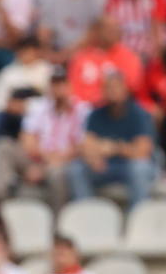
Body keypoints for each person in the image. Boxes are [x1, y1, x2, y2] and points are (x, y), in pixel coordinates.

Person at [67, 70, 158, 210]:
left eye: (116, 87)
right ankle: (86, 216)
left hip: (128, 166)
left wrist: (114, 148)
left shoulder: (138, 114)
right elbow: (87, 145)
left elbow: (142, 151)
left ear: (125, 89)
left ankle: (137, 218)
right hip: (106, 166)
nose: (112, 91)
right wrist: (93, 158)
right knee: (77, 169)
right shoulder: (96, 114)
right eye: (108, 88)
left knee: (140, 168)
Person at [16, 66, 90, 210]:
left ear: (70, 86)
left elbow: (80, 147)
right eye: (55, 84)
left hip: (66, 162)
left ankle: (57, 222)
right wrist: (43, 162)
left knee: (57, 173)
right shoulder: (38, 106)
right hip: (40, 157)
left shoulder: (82, 110)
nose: (59, 89)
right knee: (4, 147)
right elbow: (27, 140)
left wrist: (47, 166)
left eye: (63, 84)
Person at [69, 16, 144, 106]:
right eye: (109, 29)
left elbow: (131, 87)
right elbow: (72, 88)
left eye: (116, 28)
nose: (113, 32)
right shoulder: (81, 56)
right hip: (83, 109)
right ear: (97, 31)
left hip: (114, 108)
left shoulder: (128, 57)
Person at [38, 0, 107, 61]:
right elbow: (44, 31)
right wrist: (49, 53)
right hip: (57, 51)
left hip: (86, 54)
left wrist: (66, 55)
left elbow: (94, 33)